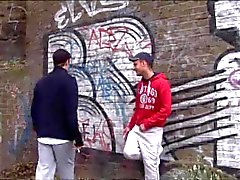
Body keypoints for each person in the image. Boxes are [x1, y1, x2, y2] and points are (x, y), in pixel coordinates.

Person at [31, 49, 83, 180]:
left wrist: (39, 130)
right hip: (63, 137)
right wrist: (77, 137)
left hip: (43, 136)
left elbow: (34, 109)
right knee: (66, 171)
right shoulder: (69, 81)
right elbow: (70, 111)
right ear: (67, 62)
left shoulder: (41, 82)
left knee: (44, 171)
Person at [123, 52, 172, 180]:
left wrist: (148, 123)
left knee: (150, 167)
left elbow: (166, 109)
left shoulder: (161, 83)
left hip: (152, 130)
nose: (134, 67)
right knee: (128, 152)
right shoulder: (141, 84)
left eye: (135, 64)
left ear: (144, 63)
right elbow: (138, 108)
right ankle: (153, 154)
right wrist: (130, 126)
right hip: (138, 127)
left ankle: (153, 155)